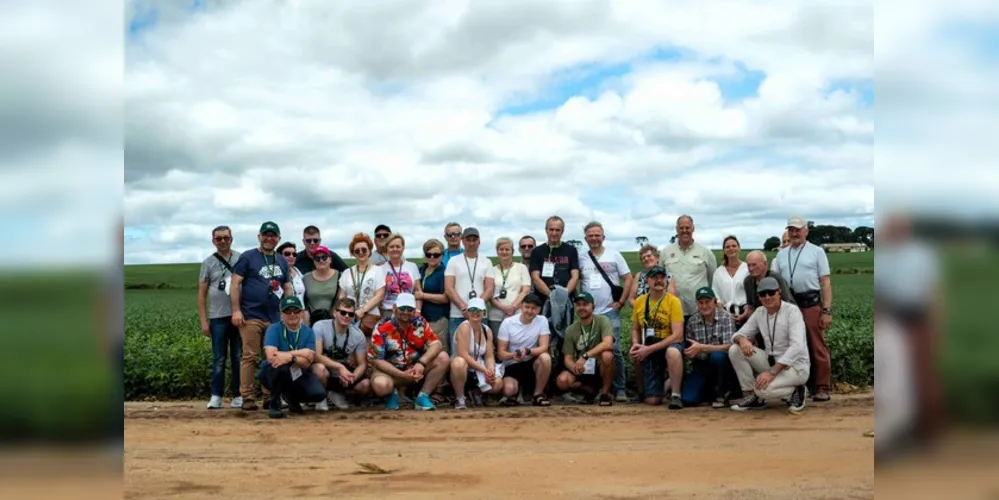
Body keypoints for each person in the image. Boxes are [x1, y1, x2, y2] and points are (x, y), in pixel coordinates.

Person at [231, 221, 294, 412]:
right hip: (251, 315)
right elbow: (235, 284)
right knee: (250, 356)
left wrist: (289, 311)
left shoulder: (281, 260)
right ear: (259, 237)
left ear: (278, 238)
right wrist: (236, 310)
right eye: (265, 235)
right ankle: (248, 397)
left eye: (273, 235)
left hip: (274, 317)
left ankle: (270, 396)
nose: (269, 238)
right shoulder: (248, 257)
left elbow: (287, 286)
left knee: (272, 357)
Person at [771, 215, 833, 402]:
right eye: (791, 229)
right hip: (790, 305)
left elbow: (825, 282)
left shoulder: (816, 252)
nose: (794, 233)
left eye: (797, 229)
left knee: (816, 345)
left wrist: (826, 310)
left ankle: (822, 386)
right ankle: (795, 386)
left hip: (811, 303)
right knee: (791, 345)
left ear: (806, 230)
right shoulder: (782, 254)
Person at [728, 277, 809, 414]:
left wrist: (771, 373)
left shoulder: (792, 311)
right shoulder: (760, 312)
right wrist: (742, 340)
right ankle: (752, 396)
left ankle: (797, 390)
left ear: (779, 292)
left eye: (771, 293)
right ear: (759, 297)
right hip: (772, 362)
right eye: (763, 294)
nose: (767, 297)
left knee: (762, 390)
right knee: (735, 350)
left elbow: (797, 347)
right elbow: (736, 335)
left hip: (795, 367)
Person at [579, 221, 633, 403]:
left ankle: (620, 389)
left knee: (614, 350)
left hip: (610, 312)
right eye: (590, 235)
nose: (594, 238)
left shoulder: (614, 254)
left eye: (597, 235)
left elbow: (628, 277)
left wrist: (621, 301)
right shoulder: (581, 257)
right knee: (591, 351)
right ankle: (595, 388)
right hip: (589, 314)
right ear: (585, 238)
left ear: (603, 237)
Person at [368, 293, 451, 411]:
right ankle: (392, 394)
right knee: (381, 385)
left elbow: (436, 344)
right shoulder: (382, 327)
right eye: (402, 308)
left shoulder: (420, 322)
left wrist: (421, 363)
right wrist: (401, 374)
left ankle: (422, 397)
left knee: (443, 357)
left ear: (414, 310)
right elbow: (378, 361)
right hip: (390, 372)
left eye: (410, 309)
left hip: (414, 369)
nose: (406, 312)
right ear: (394, 308)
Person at [258, 295, 326, 419]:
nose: (292, 314)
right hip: (273, 371)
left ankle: (291, 397)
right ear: (281, 314)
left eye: (296, 311)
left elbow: (307, 362)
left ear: (301, 313)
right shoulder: (273, 329)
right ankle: (275, 403)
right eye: (288, 311)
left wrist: (291, 357)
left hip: (298, 371)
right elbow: (271, 357)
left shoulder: (308, 331)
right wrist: (301, 353)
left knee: (318, 394)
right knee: (281, 367)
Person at [198, 225, 242, 409]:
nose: (223, 241)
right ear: (213, 240)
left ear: (231, 238)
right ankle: (216, 395)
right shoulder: (207, 263)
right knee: (219, 358)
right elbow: (201, 294)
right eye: (219, 238)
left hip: (238, 316)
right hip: (217, 317)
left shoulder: (241, 258)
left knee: (238, 356)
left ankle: (238, 395)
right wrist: (203, 320)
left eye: (226, 237)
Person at [629, 265, 685, 409]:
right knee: (653, 401)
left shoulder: (673, 301)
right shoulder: (640, 301)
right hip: (649, 344)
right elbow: (635, 328)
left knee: (672, 352)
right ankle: (655, 387)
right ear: (647, 281)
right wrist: (636, 343)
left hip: (669, 343)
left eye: (662, 277)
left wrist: (648, 349)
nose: (659, 280)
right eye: (655, 277)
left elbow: (677, 335)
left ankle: (675, 395)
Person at [556, 292, 615, 406]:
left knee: (607, 355)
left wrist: (585, 356)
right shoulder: (571, 329)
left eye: (585, 304)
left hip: (598, 366)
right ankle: (589, 392)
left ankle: (605, 393)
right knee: (562, 381)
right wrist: (573, 367)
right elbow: (567, 357)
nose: (581, 308)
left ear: (593, 306)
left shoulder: (603, 321)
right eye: (578, 305)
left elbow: (608, 343)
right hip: (581, 369)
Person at [311, 297, 370, 410]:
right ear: (334, 313)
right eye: (343, 312)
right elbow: (317, 356)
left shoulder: (358, 334)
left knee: (365, 385)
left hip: (342, 374)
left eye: (350, 314)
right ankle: (321, 397)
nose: (346, 316)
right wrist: (340, 367)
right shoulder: (320, 326)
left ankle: (337, 395)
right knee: (320, 369)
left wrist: (353, 376)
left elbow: (362, 364)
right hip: (327, 370)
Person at [682, 287, 737, 408]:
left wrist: (702, 347)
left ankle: (722, 393)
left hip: (722, 364)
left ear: (715, 301)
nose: (704, 306)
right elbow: (690, 350)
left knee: (718, 357)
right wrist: (690, 353)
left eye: (708, 302)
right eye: (701, 303)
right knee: (688, 399)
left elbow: (730, 347)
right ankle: (708, 391)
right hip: (701, 364)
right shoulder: (692, 321)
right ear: (697, 304)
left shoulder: (726, 318)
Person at [496, 293, 553, 407]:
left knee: (545, 357)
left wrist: (528, 351)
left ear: (539, 310)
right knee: (509, 390)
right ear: (521, 306)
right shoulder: (508, 323)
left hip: (531, 362)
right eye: (527, 307)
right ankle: (515, 393)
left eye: (534, 308)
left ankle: (538, 395)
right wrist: (513, 355)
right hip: (512, 364)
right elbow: (500, 353)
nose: (529, 311)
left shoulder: (542, 321)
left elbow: (544, 346)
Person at [444, 227, 495, 352]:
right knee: (457, 352)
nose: (471, 243)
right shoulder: (453, 261)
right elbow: (449, 288)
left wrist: (476, 307)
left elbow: (489, 288)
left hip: (480, 315)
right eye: (468, 240)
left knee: (480, 350)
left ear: (479, 241)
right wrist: (463, 307)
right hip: (458, 314)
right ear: (463, 241)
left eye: (474, 240)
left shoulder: (486, 262)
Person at [449, 298, 504, 409]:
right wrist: (484, 370)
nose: (475, 312)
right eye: (472, 309)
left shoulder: (487, 330)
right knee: (459, 363)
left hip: (477, 366)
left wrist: (490, 370)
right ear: (467, 312)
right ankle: (460, 398)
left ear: (484, 312)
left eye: (478, 310)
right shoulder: (464, 327)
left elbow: (489, 355)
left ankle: (476, 392)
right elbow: (463, 354)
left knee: (498, 384)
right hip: (462, 367)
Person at [660, 215, 717, 322]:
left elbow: (712, 280)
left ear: (693, 228)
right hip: (673, 310)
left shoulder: (706, 252)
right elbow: (661, 279)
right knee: (676, 338)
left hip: (699, 310)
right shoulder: (665, 253)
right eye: (681, 228)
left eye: (687, 228)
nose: (684, 231)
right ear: (677, 229)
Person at [338, 233, 386, 336]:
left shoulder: (378, 271)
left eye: (364, 249)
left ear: (369, 251)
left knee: (369, 348)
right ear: (353, 253)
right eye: (357, 251)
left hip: (370, 317)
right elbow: (342, 296)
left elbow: (380, 295)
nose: (361, 253)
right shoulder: (347, 272)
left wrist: (362, 311)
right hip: (349, 317)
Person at [529, 215, 580, 305]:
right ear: (546, 230)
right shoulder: (537, 251)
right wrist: (551, 295)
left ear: (562, 231)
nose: (554, 233)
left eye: (557, 230)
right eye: (551, 229)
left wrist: (564, 295)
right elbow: (535, 277)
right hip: (543, 300)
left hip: (565, 300)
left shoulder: (571, 250)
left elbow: (575, 276)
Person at [489, 237, 531, 337]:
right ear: (497, 251)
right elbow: (489, 292)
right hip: (496, 311)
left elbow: (525, 290)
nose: (504, 252)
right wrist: (503, 307)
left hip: (517, 311)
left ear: (512, 251)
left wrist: (512, 307)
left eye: (507, 249)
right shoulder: (492, 270)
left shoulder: (521, 268)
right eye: (501, 249)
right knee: (498, 342)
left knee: (517, 341)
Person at [416, 239, 450, 348]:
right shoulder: (421, 269)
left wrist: (423, 295)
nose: (432, 257)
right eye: (428, 254)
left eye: (436, 255)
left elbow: (446, 298)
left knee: (438, 350)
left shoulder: (444, 272)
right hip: (421, 319)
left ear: (442, 255)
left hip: (437, 319)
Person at [380, 233, 423, 319]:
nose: (394, 249)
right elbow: (378, 295)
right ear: (387, 249)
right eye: (391, 247)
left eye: (398, 246)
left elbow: (418, 292)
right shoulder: (380, 269)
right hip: (388, 312)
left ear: (403, 248)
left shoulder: (412, 266)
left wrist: (418, 311)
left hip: (409, 312)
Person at [302, 245, 340, 325]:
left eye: (324, 257)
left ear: (330, 259)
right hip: (311, 321)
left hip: (333, 321)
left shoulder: (339, 276)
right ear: (314, 261)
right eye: (317, 258)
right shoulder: (305, 278)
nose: (321, 261)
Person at [712, 235, 749, 319]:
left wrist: (746, 312)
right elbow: (716, 295)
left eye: (734, 246)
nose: (731, 248)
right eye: (727, 247)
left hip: (746, 314)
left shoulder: (747, 269)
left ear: (739, 248)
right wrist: (725, 313)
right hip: (725, 315)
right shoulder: (719, 272)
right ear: (724, 251)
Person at [277, 241, 309, 324]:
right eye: (287, 254)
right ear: (279, 256)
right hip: (283, 316)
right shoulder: (276, 273)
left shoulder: (298, 271)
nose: (291, 256)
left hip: (301, 316)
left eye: (294, 254)